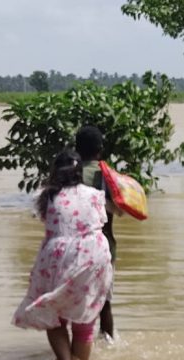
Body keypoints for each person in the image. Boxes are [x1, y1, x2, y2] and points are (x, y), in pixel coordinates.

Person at [12, 150, 113, 360]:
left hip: (57, 255)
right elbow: (102, 221)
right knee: (85, 317)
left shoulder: (44, 196)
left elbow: (47, 220)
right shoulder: (95, 194)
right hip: (93, 254)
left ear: (54, 172)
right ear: (79, 172)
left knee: (53, 313)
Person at [75, 125, 118, 341]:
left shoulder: (68, 174)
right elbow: (121, 210)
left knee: (75, 301)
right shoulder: (108, 175)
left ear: (76, 149)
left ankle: (76, 349)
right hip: (104, 245)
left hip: (75, 247)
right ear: (100, 149)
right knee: (105, 303)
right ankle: (109, 343)